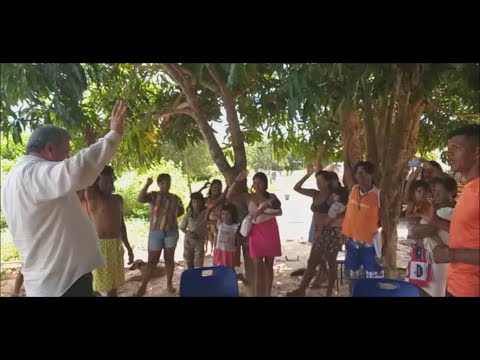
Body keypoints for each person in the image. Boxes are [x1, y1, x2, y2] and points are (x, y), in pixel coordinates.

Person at [1, 100, 127, 297]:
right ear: (50, 149)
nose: (68, 158)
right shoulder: (33, 173)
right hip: (62, 283)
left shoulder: (19, 178)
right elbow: (76, 170)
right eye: (66, 152)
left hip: (58, 279)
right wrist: (113, 136)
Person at [417, 124, 479, 297]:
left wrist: (452, 254)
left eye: (456, 148)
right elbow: (468, 233)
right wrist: (435, 221)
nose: (449, 154)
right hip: (455, 284)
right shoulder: (468, 188)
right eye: (448, 148)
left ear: (476, 152)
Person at [227, 171, 282, 297]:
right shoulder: (247, 197)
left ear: (265, 183)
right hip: (255, 232)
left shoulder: (271, 196)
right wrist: (237, 181)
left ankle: (267, 294)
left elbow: (280, 212)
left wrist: (262, 213)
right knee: (257, 265)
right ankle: (258, 294)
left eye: (260, 182)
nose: (257, 185)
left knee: (269, 265)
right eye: (255, 182)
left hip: (270, 230)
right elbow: (228, 198)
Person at [85, 165, 134, 297]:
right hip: (101, 246)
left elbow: (121, 225)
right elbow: (88, 173)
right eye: (104, 181)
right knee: (99, 284)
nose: (109, 184)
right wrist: (92, 148)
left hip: (116, 245)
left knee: (113, 285)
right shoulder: (94, 198)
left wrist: (128, 248)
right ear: (97, 182)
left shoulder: (118, 199)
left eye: (111, 181)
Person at [136, 174, 184, 296]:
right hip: (155, 232)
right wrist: (147, 184)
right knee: (152, 260)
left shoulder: (175, 198)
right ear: (158, 184)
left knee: (169, 259)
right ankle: (143, 286)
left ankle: (169, 284)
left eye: (168, 182)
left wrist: (169, 218)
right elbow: (140, 199)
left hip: (171, 232)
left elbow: (181, 211)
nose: (166, 185)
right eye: (162, 183)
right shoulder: (153, 195)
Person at [410, 176, 457, 296]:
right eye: (433, 192)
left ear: (451, 192)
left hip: (437, 264)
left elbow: (416, 232)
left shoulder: (448, 212)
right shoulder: (437, 210)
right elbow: (415, 232)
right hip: (426, 260)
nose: (435, 195)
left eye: (439, 192)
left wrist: (419, 230)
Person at [342, 161, 383, 294]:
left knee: (372, 280)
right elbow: (347, 168)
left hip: (370, 245)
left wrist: (385, 244)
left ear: (371, 174)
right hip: (351, 243)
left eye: (364, 173)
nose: (360, 176)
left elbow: (385, 221)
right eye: (358, 173)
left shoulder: (378, 194)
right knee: (353, 279)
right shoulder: (353, 189)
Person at [180, 192, 208, 269]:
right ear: (191, 203)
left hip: (199, 240)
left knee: (198, 262)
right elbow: (182, 227)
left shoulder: (205, 213)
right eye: (194, 202)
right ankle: (191, 277)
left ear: (202, 202)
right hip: (188, 240)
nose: (196, 204)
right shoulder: (188, 214)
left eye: (198, 202)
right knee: (189, 260)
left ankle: (198, 278)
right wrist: (188, 233)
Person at [213, 204, 240, 268]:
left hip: (230, 254)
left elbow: (238, 244)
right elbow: (205, 220)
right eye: (223, 214)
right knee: (218, 271)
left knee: (229, 271)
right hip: (219, 252)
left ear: (233, 215)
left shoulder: (235, 227)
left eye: (227, 214)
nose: (225, 216)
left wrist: (238, 258)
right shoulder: (219, 224)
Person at [205, 179, 223, 256]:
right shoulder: (206, 199)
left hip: (219, 223)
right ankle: (211, 250)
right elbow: (194, 197)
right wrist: (202, 188)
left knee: (218, 242)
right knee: (211, 237)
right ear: (211, 188)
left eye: (219, 188)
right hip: (209, 222)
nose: (217, 189)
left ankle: (216, 254)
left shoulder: (222, 199)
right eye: (215, 187)